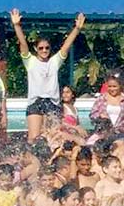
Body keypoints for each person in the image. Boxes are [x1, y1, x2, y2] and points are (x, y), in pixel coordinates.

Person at [10, 9, 86, 143]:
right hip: (36, 102)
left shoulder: (54, 62)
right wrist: (17, 26)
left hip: (52, 103)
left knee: (54, 137)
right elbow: (23, 45)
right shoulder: (30, 62)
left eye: (47, 48)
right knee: (34, 138)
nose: (44, 50)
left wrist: (77, 29)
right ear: (36, 49)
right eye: (41, 48)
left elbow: (66, 46)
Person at [90, 70, 124, 134]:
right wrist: (100, 116)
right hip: (103, 132)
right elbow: (92, 114)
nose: (112, 89)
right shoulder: (101, 99)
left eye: (114, 86)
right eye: (109, 86)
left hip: (121, 132)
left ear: (120, 86)